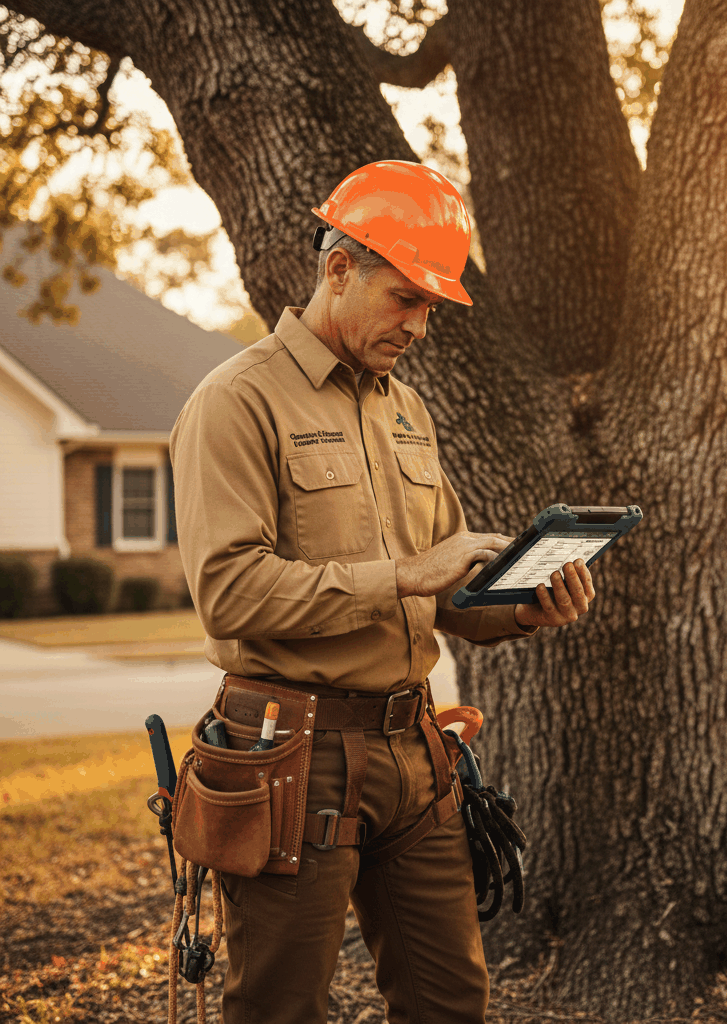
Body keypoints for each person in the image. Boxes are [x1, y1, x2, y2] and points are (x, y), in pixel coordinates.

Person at [169, 159, 596, 1024]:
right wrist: (405, 574)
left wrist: (523, 604)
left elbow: (444, 593)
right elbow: (229, 593)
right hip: (291, 755)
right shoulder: (236, 401)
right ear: (339, 269)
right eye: (406, 297)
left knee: (451, 1002)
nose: (421, 324)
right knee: (281, 1008)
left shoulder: (406, 410)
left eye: (432, 306)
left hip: (415, 751)